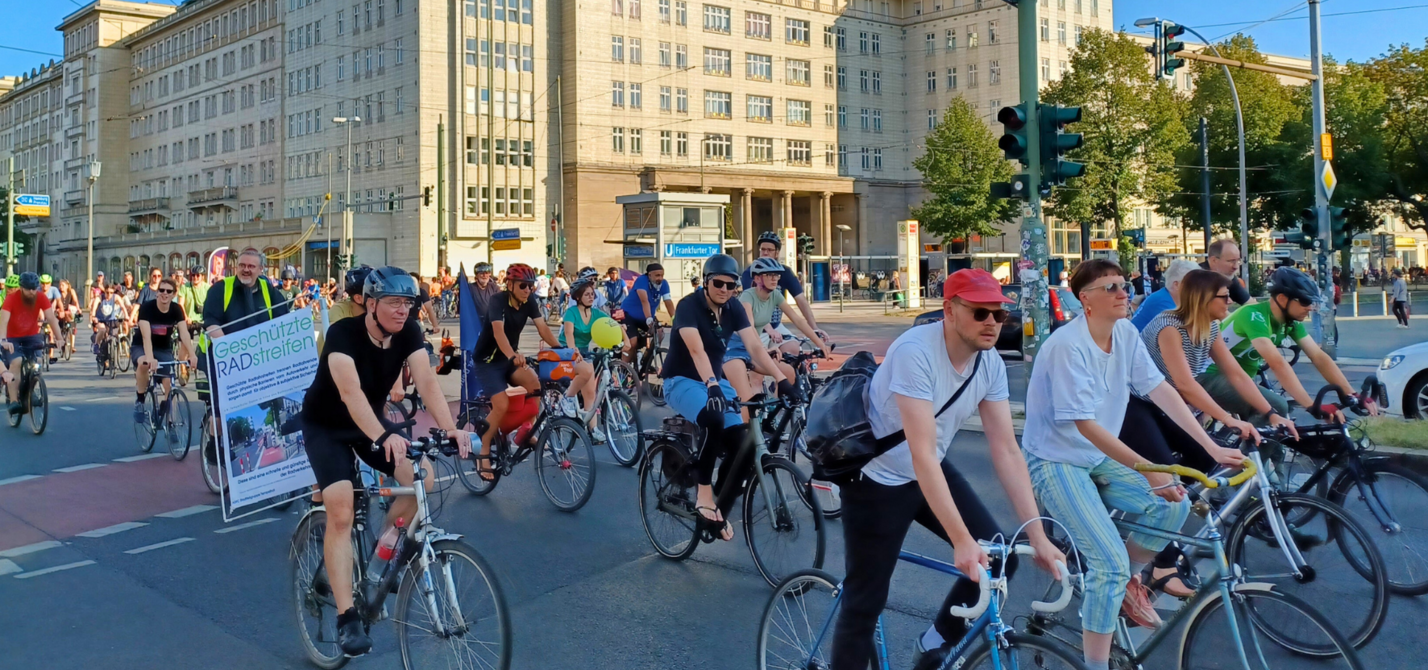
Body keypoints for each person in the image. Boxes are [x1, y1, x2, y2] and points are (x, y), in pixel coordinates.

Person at [830, 269, 1065, 670]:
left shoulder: (988, 363)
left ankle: (935, 646)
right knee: (865, 601)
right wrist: (960, 540)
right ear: (950, 311)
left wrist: (1038, 535)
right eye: (980, 313)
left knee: (998, 554)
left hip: (929, 472)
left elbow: (1006, 449)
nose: (992, 322)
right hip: (878, 480)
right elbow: (920, 452)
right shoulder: (915, 352)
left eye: (999, 315)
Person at [1023, 259, 1216, 670]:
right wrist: (1148, 466)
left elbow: (1159, 388)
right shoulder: (1066, 346)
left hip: (1096, 455)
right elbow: (1086, 426)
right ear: (1085, 300)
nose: (1121, 292)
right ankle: (1097, 661)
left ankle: (1126, 581)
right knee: (1106, 563)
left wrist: (1210, 446)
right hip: (1057, 460)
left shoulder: (1125, 333)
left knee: (1173, 503)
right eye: (1109, 287)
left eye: (1123, 284)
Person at [300, 267, 473, 657]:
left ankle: (385, 547)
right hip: (327, 425)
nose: (402, 311)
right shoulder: (342, 335)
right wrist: (383, 435)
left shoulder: (409, 331)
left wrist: (451, 429)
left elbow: (428, 382)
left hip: (371, 425)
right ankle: (347, 619)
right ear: (371, 303)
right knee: (341, 509)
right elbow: (350, 393)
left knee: (422, 477)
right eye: (394, 303)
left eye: (408, 303)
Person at [660, 253, 800, 542]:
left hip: (714, 381)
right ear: (707, 282)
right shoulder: (689, 306)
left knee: (744, 444)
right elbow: (697, 350)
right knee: (714, 417)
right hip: (682, 380)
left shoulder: (734, 307)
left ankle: (719, 513)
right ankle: (704, 492)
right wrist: (711, 383)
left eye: (731, 285)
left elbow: (755, 347)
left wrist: (782, 379)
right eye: (718, 284)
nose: (724, 290)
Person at [1201, 266, 1376, 424]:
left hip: (1240, 379)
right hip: (1209, 376)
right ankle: (1243, 459)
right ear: (1283, 299)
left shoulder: (1290, 322)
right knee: (1276, 407)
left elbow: (1318, 356)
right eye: (1305, 301)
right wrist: (1311, 406)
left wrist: (1351, 394)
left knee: (1280, 435)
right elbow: (1278, 364)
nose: (1310, 308)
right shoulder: (1253, 316)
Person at [469, 263, 581, 476]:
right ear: (510, 284)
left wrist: (562, 350)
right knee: (500, 404)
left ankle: (526, 432)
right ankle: (483, 449)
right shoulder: (497, 300)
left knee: (534, 385)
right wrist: (513, 355)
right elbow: (498, 333)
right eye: (523, 286)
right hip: (488, 361)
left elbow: (543, 328)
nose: (528, 290)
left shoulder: (529, 301)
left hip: (510, 359)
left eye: (530, 286)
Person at [723, 257, 829, 419]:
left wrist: (819, 343)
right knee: (745, 397)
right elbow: (749, 327)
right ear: (757, 278)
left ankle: (772, 417)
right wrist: (764, 350)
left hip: (753, 345)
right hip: (735, 346)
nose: (775, 279)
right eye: (770, 275)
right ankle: (748, 428)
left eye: (777, 275)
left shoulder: (775, 295)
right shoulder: (747, 297)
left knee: (789, 372)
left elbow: (797, 320)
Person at [740, 231, 830, 346]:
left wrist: (814, 328)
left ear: (777, 253)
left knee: (794, 350)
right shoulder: (751, 273)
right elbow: (752, 311)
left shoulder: (785, 273)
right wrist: (768, 329)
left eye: (769, 250)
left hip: (776, 326)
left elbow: (801, 301)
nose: (765, 253)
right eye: (763, 249)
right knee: (764, 359)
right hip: (756, 329)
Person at [131, 278, 199, 425]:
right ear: (157, 292)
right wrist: (150, 358)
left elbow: (184, 334)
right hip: (141, 346)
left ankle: (170, 419)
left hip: (163, 348)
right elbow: (145, 337)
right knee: (143, 364)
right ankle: (140, 399)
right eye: (161, 290)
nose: (164, 294)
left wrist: (192, 354)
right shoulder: (147, 308)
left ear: (174, 294)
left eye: (169, 291)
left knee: (169, 381)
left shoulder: (176, 309)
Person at [560, 278, 616, 441]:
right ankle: (568, 398)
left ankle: (593, 429)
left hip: (584, 352)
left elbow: (612, 324)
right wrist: (573, 351)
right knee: (586, 372)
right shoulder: (571, 312)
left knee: (590, 393)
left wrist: (624, 337)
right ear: (578, 297)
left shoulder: (596, 313)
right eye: (587, 294)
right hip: (566, 350)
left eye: (593, 294)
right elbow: (569, 333)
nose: (592, 297)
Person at [1, 273, 64, 415]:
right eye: (29, 289)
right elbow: (4, 321)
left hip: (31, 335)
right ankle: (13, 401)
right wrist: (3, 340)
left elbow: (51, 318)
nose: (32, 292)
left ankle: (32, 387)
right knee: (16, 362)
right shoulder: (11, 299)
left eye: (34, 288)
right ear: (21, 288)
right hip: (12, 337)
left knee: (38, 362)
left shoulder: (40, 297)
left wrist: (59, 338)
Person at [619, 262, 675, 363]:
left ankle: (646, 362)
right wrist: (649, 318)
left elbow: (668, 302)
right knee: (633, 342)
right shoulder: (642, 280)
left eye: (662, 275)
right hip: (628, 314)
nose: (660, 278)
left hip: (645, 316)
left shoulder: (664, 284)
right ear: (649, 275)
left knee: (660, 333)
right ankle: (623, 368)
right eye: (657, 275)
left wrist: (675, 319)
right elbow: (644, 301)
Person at [1130, 259, 1199, 332]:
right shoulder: (1163, 303)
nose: (1199, 288)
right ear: (1176, 285)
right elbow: (1185, 333)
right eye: (1194, 283)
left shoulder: (1165, 297)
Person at [1202, 239, 1253, 305]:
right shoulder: (1196, 280)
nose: (1236, 267)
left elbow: (1252, 305)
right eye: (1231, 261)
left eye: (1238, 261)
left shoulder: (1228, 277)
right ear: (1214, 260)